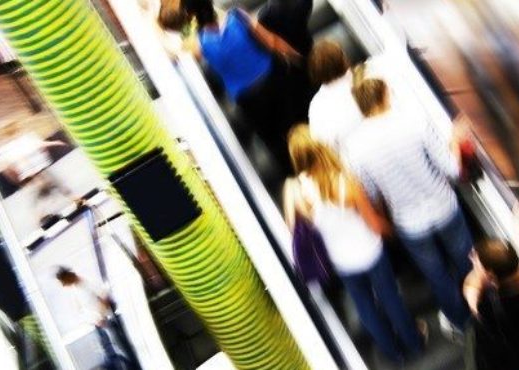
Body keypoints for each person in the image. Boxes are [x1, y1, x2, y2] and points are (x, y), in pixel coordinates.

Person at [341, 78, 475, 332]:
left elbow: (371, 193)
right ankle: (484, 311)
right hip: (444, 207)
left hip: (409, 223)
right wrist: (455, 140)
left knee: (437, 277)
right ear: (384, 95)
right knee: (467, 262)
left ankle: (461, 323)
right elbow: (453, 170)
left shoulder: (354, 148)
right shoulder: (414, 121)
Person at [284, 126, 424, 363]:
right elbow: (374, 224)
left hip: (341, 262)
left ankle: (393, 353)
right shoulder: (344, 182)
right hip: (371, 252)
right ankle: (414, 342)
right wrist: (391, 231)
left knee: (365, 308)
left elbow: (294, 233)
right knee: (390, 298)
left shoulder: (295, 191)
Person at [172, 0, 314, 174]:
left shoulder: (199, 43)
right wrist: (298, 58)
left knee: (275, 141)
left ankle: (298, 172)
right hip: (273, 78)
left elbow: (173, 51)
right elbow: (272, 42)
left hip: (249, 99)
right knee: (297, 120)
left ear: (191, 16)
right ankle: (320, 155)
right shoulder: (237, 16)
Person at [463, 239, 519, 370]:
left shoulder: (488, 309)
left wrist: (473, 301)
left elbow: (470, 288)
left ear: (489, 276)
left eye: (476, 264)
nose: (472, 262)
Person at [50, 267, 138, 370]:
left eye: (62, 281)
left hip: (106, 321)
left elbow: (104, 296)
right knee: (109, 352)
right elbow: (81, 309)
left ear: (67, 276)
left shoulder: (86, 282)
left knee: (121, 348)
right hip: (98, 324)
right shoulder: (74, 289)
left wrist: (102, 316)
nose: (63, 285)